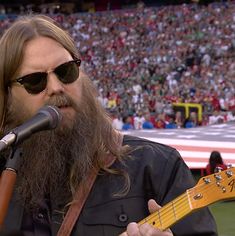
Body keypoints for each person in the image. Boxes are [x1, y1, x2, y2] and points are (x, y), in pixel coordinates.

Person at [0, 15, 217, 236]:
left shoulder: (157, 168)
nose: (56, 87)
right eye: (35, 80)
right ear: (7, 98)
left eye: (66, 71)